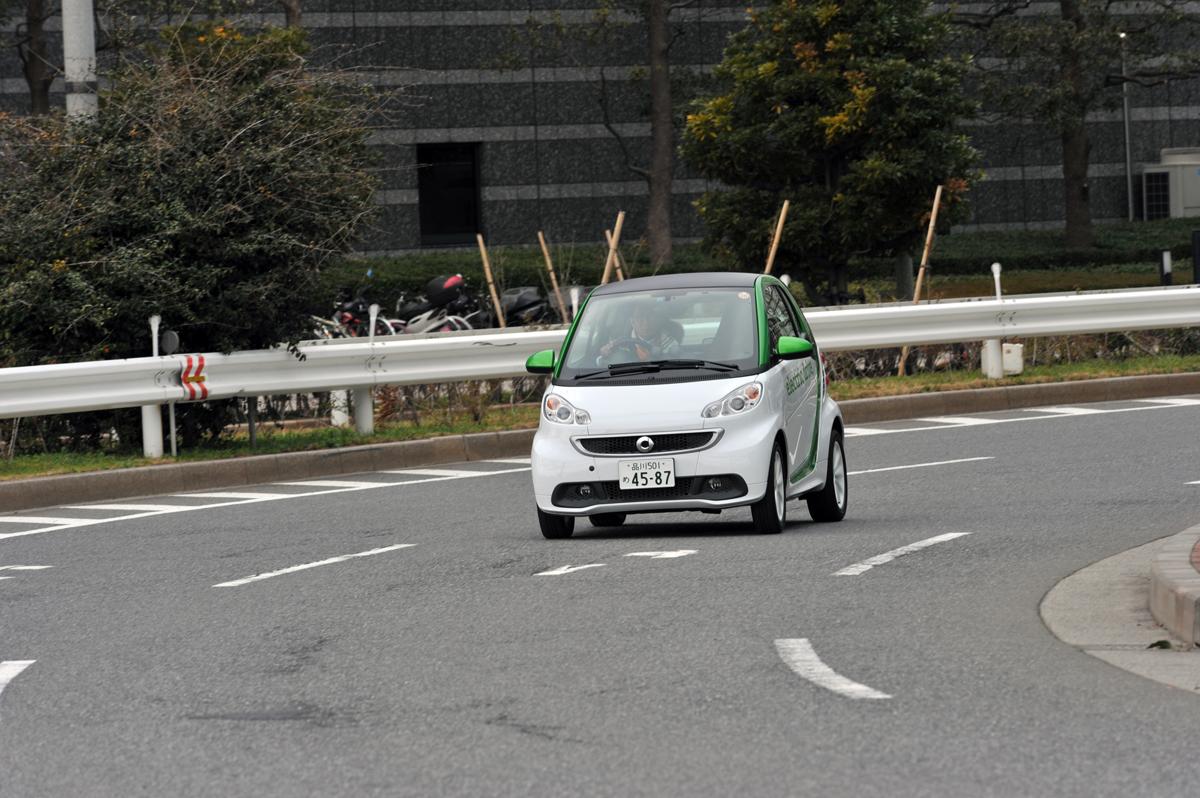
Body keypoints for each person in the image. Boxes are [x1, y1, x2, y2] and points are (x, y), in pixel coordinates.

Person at [597, 301, 681, 363]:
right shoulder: (620, 343)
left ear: (657, 319)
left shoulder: (670, 343)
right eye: (640, 317)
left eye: (650, 316)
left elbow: (675, 368)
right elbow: (599, 364)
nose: (646, 323)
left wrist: (650, 359)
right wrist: (604, 355)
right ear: (632, 322)